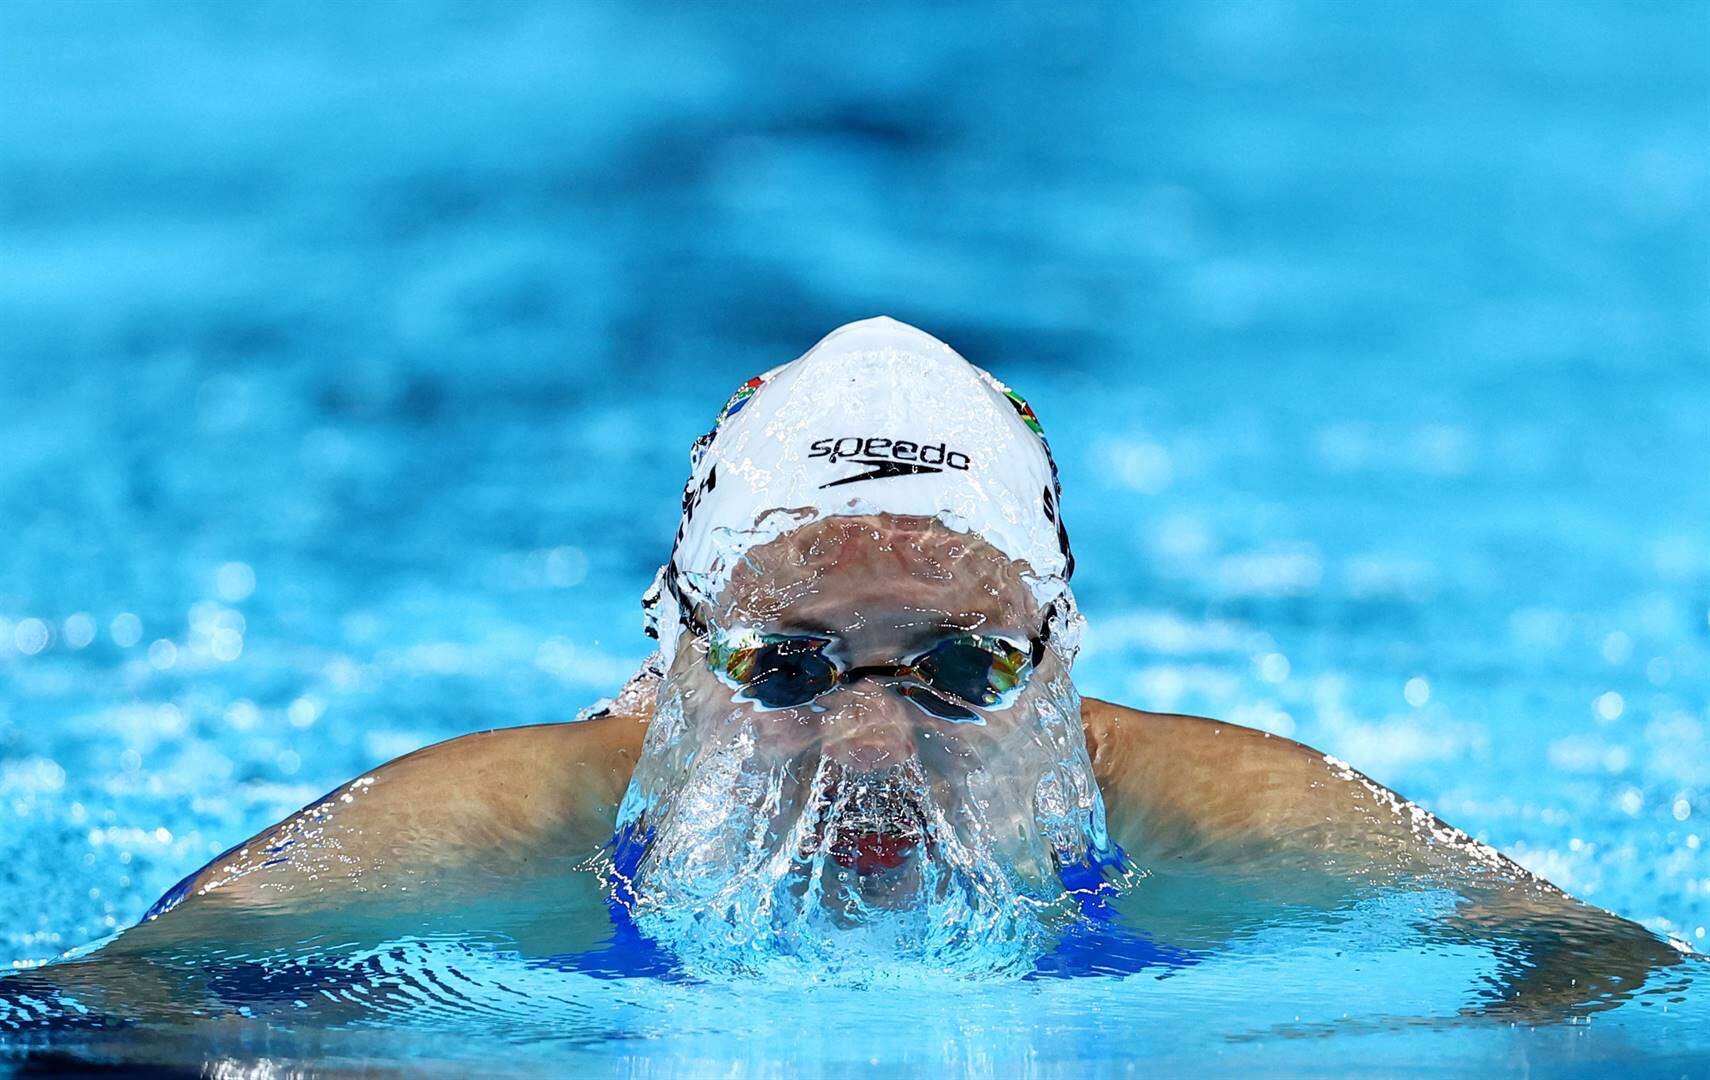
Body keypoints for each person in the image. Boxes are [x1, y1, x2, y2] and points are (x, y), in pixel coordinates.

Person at [21, 318, 1686, 1013]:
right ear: (667, 669)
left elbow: (1599, 976)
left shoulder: (1202, 812)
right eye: (784, 664)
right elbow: (105, 1014)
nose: (870, 748)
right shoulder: (513, 825)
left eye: (957, 664)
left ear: (1056, 670)